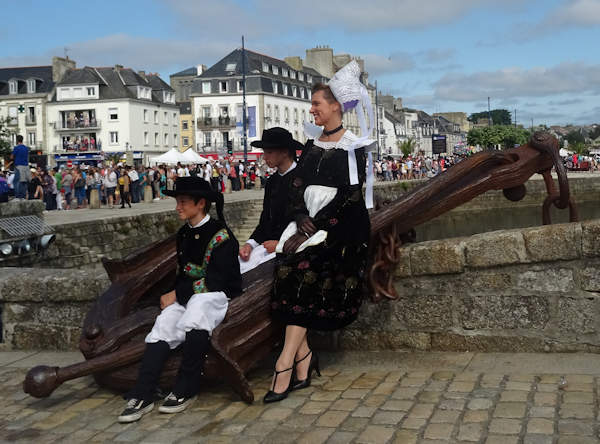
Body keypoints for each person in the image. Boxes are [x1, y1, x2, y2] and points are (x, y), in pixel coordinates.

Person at [265, 61, 374, 403]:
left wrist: (316, 228)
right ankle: (304, 357)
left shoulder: (354, 146)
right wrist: (300, 216)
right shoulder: (313, 145)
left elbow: (351, 196)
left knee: (301, 270)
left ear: (336, 106)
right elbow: (297, 184)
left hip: (341, 232)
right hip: (310, 223)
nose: (311, 109)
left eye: (316, 104)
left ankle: (285, 361)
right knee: (284, 269)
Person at [117, 176, 242, 423]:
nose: (178, 207)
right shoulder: (184, 234)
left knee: (196, 311)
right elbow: (182, 273)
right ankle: (144, 391)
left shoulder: (222, 236)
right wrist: (176, 295)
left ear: (201, 203)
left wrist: (177, 294)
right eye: (178, 202)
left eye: (183, 202)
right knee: (164, 322)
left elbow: (216, 280)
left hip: (215, 294)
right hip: (189, 293)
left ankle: (187, 386)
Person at [239, 127, 302, 274]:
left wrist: (281, 244)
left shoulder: (303, 178)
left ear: (285, 152)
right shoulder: (272, 181)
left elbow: (306, 222)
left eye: (269, 152)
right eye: (264, 152)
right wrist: (250, 244)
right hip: (267, 246)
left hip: (291, 250)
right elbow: (266, 219)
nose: (265, 157)